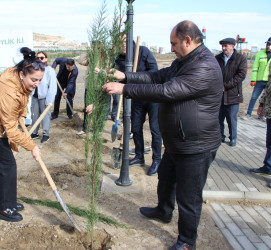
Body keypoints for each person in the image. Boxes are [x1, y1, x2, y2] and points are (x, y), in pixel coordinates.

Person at [103, 20, 223, 250]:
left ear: (188, 40)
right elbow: (156, 77)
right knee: (165, 180)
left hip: (196, 146)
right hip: (178, 141)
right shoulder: (183, 62)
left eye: (174, 43)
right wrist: (125, 76)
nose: (171, 48)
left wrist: (124, 89)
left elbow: (167, 90)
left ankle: (187, 242)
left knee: (189, 197)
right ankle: (163, 211)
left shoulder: (204, 66)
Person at [0, 47, 43, 222]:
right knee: (7, 166)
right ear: (22, 74)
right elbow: (11, 130)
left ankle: (2, 198)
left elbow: (23, 100)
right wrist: (32, 146)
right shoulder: (9, 91)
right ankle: (5, 208)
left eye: (40, 80)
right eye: (34, 80)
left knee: (0, 164)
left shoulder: (18, 77)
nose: (37, 84)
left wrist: (22, 114)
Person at [115, 36, 162, 175]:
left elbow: (155, 72)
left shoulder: (143, 51)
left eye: (125, 42)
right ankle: (139, 156)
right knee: (135, 128)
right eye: (120, 43)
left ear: (132, 44)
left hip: (152, 95)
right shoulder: (118, 59)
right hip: (136, 97)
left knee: (155, 129)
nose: (123, 45)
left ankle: (157, 160)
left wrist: (134, 76)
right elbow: (117, 77)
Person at [215, 38, 247, 147]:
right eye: (222, 46)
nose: (223, 48)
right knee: (219, 118)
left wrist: (226, 86)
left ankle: (233, 138)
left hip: (233, 94)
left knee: (231, 119)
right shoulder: (217, 58)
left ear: (232, 46)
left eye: (226, 46)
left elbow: (241, 75)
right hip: (219, 95)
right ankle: (220, 137)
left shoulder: (240, 59)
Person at [249, 63, 271, 177]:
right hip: (270, 110)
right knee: (269, 142)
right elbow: (269, 86)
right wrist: (262, 103)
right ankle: (268, 167)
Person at [30, 51, 57, 143]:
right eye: (37, 58)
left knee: (45, 116)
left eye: (41, 58)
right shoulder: (34, 70)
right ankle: (34, 132)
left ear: (45, 59)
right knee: (35, 115)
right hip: (35, 97)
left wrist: (49, 101)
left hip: (44, 97)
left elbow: (52, 87)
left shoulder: (49, 70)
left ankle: (46, 134)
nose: (39, 60)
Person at [241, 37, 271, 120]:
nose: (268, 45)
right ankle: (249, 113)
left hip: (269, 82)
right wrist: (253, 79)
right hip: (260, 80)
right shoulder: (260, 54)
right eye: (267, 44)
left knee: (266, 99)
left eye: (270, 44)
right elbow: (255, 67)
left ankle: (262, 115)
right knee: (254, 97)